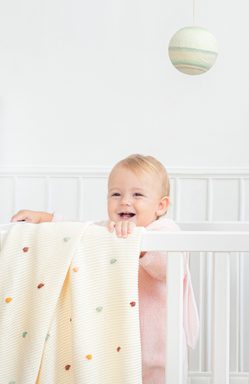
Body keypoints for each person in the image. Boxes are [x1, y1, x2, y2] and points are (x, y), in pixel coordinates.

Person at [11, 154, 198, 384]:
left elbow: (166, 265)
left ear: (161, 205)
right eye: (116, 194)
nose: (125, 201)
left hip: (158, 348)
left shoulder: (165, 231)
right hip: (115, 342)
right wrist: (41, 218)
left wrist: (135, 244)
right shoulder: (107, 230)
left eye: (137, 194)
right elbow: (76, 230)